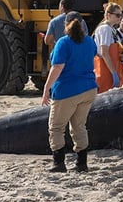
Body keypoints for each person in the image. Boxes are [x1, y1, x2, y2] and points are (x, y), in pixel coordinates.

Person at [41, 11, 98, 173]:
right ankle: (81, 163)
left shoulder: (63, 42)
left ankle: (59, 163)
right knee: (79, 126)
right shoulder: (89, 41)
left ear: (65, 24)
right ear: (82, 24)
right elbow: (92, 56)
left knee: (57, 127)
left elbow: (57, 67)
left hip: (67, 90)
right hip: (88, 88)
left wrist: (46, 89)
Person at [93, 2, 122, 93]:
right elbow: (104, 53)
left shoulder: (112, 29)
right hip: (105, 70)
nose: (120, 18)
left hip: (110, 67)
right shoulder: (105, 29)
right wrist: (113, 73)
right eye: (117, 15)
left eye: (121, 15)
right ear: (109, 15)